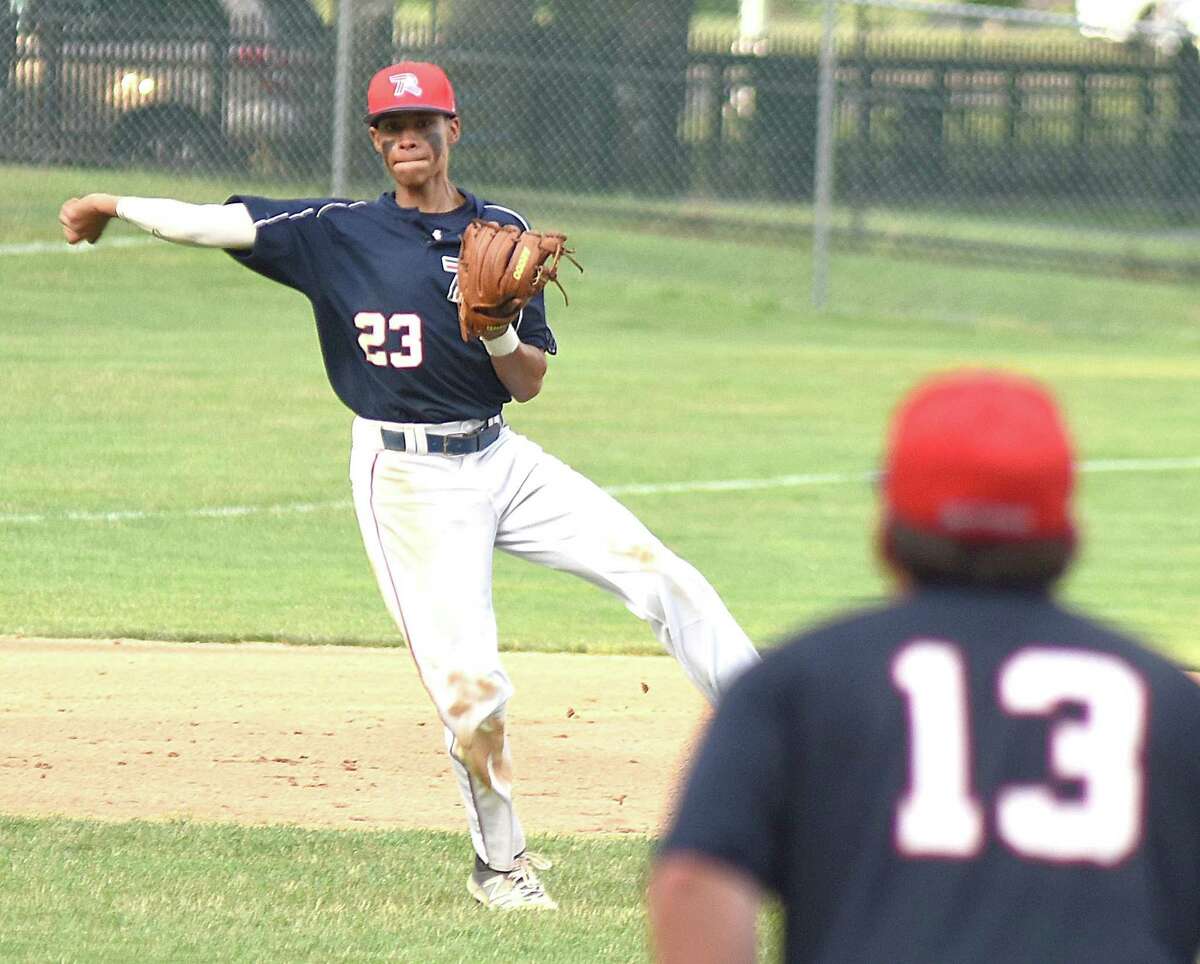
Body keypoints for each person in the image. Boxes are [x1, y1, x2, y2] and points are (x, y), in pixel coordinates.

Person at [58, 60, 760, 912]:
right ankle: (500, 866)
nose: (405, 141)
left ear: (451, 131)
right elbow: (216, 224)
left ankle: (795, 750)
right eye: (389, 129)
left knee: (666, 577)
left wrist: (498, 329)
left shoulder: (502, 229)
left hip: (502, 458)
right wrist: (112, 206)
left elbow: (529, 382)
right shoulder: (336, 232)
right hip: (407, 479)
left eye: (421, 125)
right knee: (473, 690)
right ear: (376, 142)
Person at [649, 369, 1200, 963]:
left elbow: (692, 883)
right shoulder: (1170, 702)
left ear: (888, 528)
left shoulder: (793, 686)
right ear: (1068, 532)